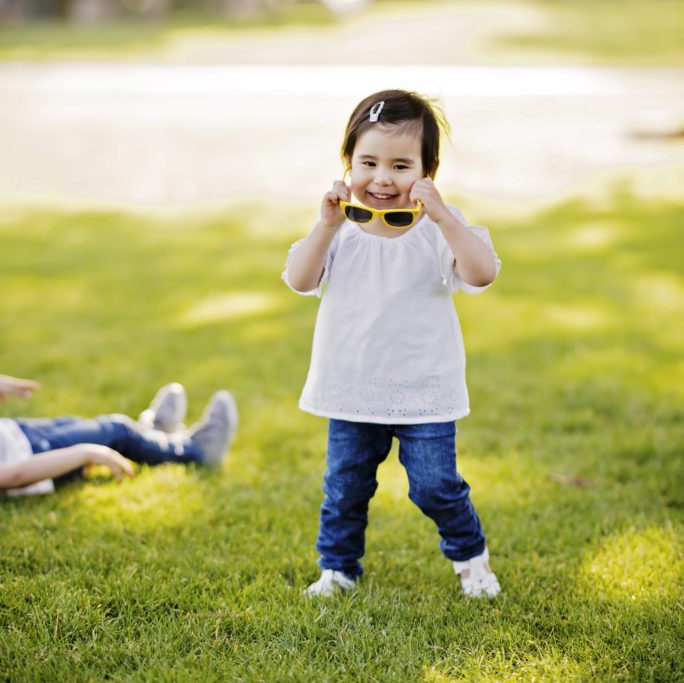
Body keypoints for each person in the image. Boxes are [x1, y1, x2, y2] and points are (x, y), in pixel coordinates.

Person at [283, 89, 501, 599]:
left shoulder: (436, 231)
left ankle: (471, 558)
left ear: (428, 172)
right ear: (347, 164)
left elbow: (483, 272)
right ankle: (338, 569)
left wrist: (446, 218)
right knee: (345, 487)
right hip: (352, 387)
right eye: (369, 162)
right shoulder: (337, 231)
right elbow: (298, 278)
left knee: (435, 486)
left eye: (401, 165)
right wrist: (323, 225)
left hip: (425, 390)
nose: (382, 178)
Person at [0, 375, 238, 497]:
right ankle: (197, 452)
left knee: (78, 424)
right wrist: (86, 453)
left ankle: (153, 433)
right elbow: (12, 475)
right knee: (116, 430)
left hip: (14, 433)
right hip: (31, 457)